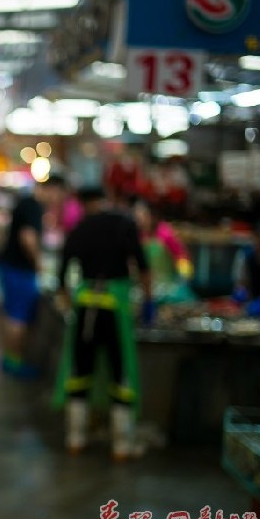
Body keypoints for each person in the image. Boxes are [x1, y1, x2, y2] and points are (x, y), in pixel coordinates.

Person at [53, 184, 152, 461]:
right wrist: (147, 301)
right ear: (104, 200)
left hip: (85, 308)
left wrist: (68, 304)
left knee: (81, 370)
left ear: (82, 203)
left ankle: (75, 438)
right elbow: (143, 266)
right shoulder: (124, 224)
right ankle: (121, 444)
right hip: (115, 309)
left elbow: (61, 277)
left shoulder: (78, 229)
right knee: (118, 372)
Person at [0, 179, 46, 378]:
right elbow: (27, 236)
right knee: (18, 316)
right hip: (19, 269)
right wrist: (38, 262)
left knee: (11, 313)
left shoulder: (26, 203)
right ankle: (15, 361)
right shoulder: (33, 206)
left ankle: (9, 359)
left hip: (9, 266)